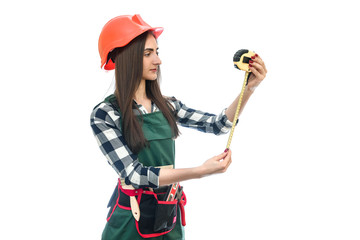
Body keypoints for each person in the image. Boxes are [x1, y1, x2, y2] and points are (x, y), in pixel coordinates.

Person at [90, 14, 267, 240]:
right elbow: (134, 174)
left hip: (167, 217)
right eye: (148, 54)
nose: (158, 60)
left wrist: (249, 89)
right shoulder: (105, 114)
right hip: (129, 222)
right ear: (125, 57)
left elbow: (217, 125)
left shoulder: (168, 106)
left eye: (157, 52)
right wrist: (199, 172)